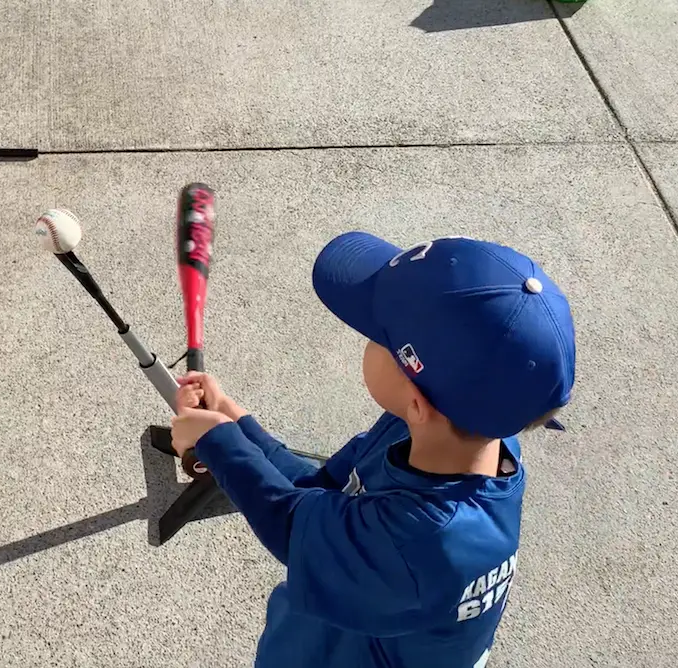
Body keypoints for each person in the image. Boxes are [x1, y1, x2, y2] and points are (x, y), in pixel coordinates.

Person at [169, 232, 576, 668]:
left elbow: (292, 528)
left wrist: (218, 442)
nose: (366, 339)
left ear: (417, 402)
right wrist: (239, 425)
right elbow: (320, 494)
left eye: (378, 336)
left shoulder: (433, 540)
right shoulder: (454, 433)